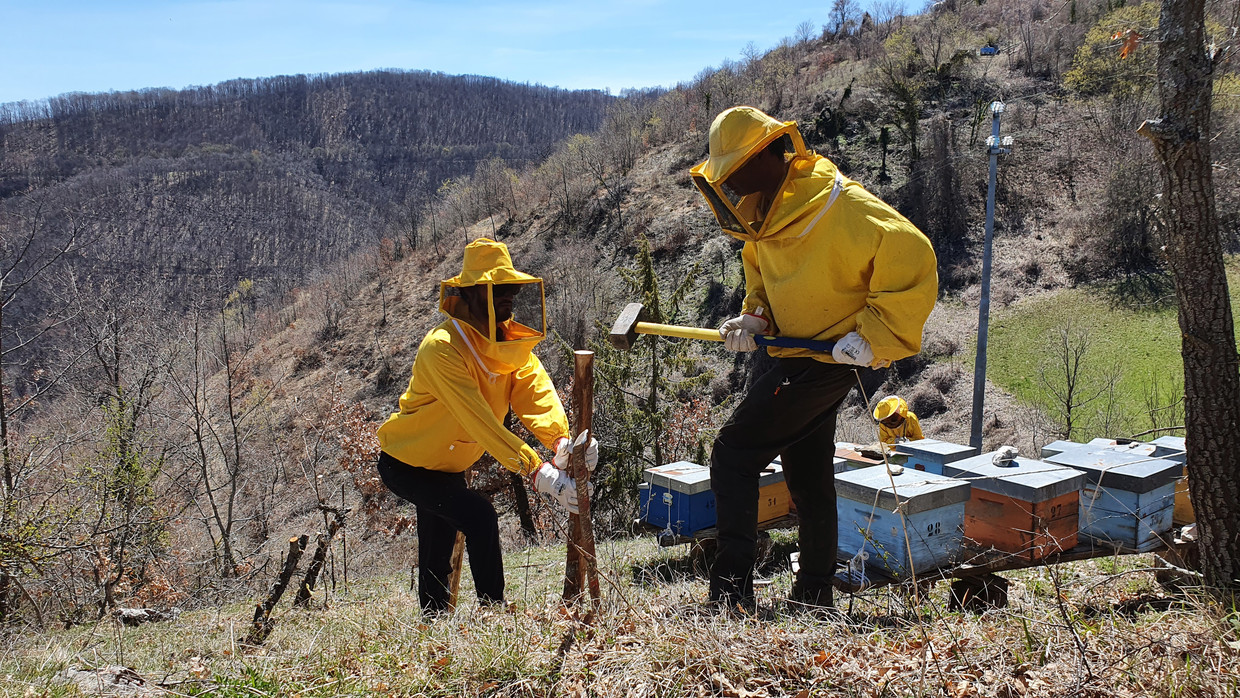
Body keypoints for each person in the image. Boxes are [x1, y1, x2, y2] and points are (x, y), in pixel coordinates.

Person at [690, 106, 938, 610]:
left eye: (734, 169)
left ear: (767, 154)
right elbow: (761, 270)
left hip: (828, 360)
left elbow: (914, 255)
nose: (730, 184)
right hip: (798, 354)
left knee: (734, 453)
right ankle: (814, 593)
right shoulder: (764, 212)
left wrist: (873, 334)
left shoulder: (841, 205)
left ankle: (731, 594)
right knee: (807, 471)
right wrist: (754, 317)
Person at [376, 238, 597, 613]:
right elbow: (477, 420)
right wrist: (537, 471)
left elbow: (534, 391)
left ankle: (433, 621)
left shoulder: (508, 343)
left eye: (511, 289)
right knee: (479, 516)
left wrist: (561, 442)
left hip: (448, 467)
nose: (508, 297)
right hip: (406, 464)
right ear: (470, 294)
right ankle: (494, 613)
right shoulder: (442, 347)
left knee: (438, 545)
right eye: (498, 290)